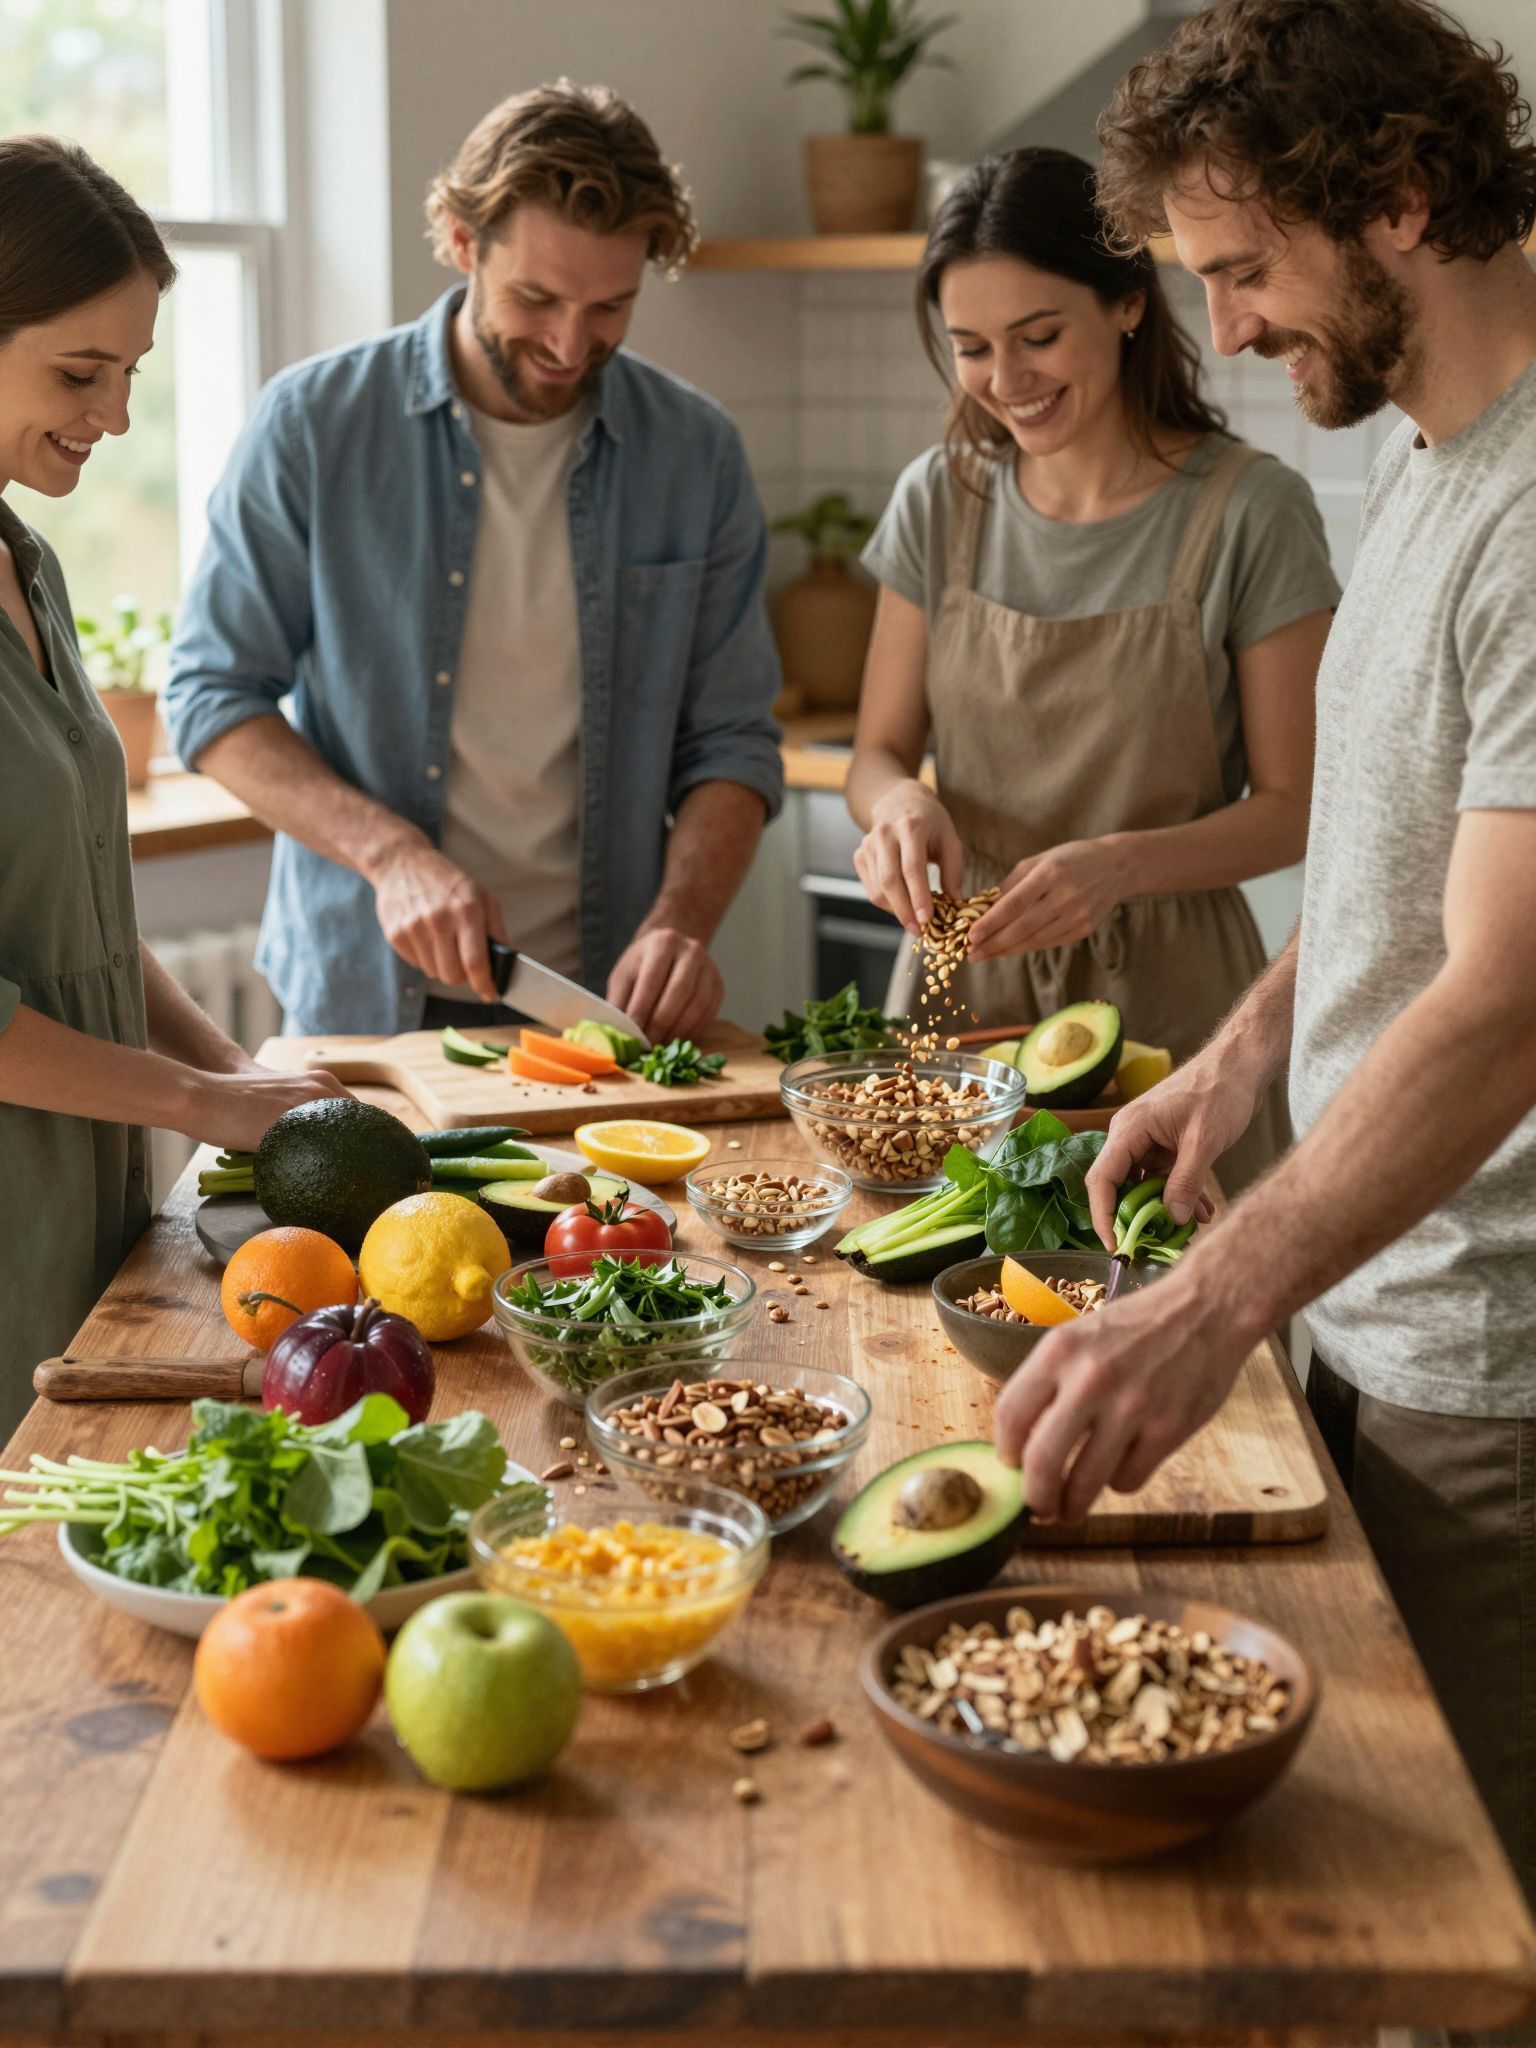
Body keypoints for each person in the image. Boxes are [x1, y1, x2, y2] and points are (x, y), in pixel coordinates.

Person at [995, 0, 1536, 1916]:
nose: (1219, 329)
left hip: (1500, 1374)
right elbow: (1401, 881)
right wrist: (1240, 1052)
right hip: (1388, 1313)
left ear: (1394, 200)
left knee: (1465, 1934)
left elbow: (1502, 1002)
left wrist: (1202, 1303)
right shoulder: (1423, 457)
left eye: (1239, 271)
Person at [165, 82, 783, 1044]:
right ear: (461, 241)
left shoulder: (696, 453)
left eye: (611, 305)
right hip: (362, 1004)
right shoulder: (314, 426)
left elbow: (733, 744)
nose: (571, 344)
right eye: (536, 298)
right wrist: (391, 854)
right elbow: (211, 697)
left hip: (601, 1014)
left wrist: (681, 924)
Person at [847, 147, 1336, 1193]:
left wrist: (1114, 864)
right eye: (971, 347)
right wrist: (894, 808)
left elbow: (1300, 808)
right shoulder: (938, 498)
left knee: (1169, 1308)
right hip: (959, 983)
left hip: (1171, 1003)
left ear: (1125, 304)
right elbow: (878, 750)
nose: (1005, 382)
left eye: (1038, 337)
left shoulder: (1251, 511)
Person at [0, 138, 345, 1446]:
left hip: (84, 1194)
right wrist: (202, 1104)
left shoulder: (29, 571)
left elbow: (81, 908)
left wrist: (244, 1077)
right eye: (80, 371)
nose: (117, 415)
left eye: (131, 372)